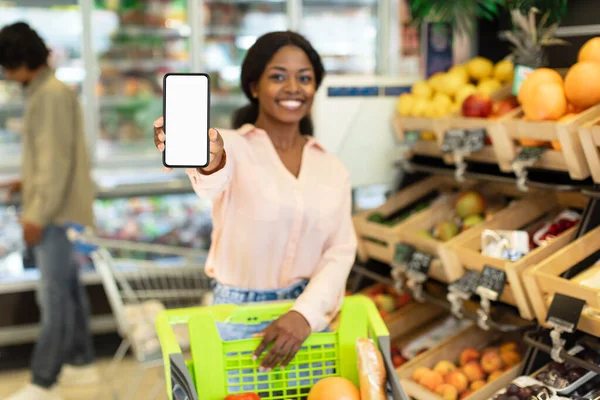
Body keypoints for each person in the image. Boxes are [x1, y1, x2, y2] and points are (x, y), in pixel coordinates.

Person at [154, 31, 357, 370]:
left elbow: (340, 251)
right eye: (278, 76)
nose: (293, 87)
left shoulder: (331, 167)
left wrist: (304, 315)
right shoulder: (230, 146)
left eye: (304, 78)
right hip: (237, 321)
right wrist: (210, 158)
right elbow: (211, 178)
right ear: (254, 87)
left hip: (308, 321)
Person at [0, 22, 98, 400]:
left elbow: (55, 164)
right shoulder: (47, 91)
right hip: (59, 208)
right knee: (68, 292)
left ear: (22, 60)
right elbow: (51, 158)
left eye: (7, 66)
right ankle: (81, 361)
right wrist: (26, 183)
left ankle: (43, 381)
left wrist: (35, 215)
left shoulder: (50, 95)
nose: (7, 75)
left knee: (54, 297)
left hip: (55, 214)